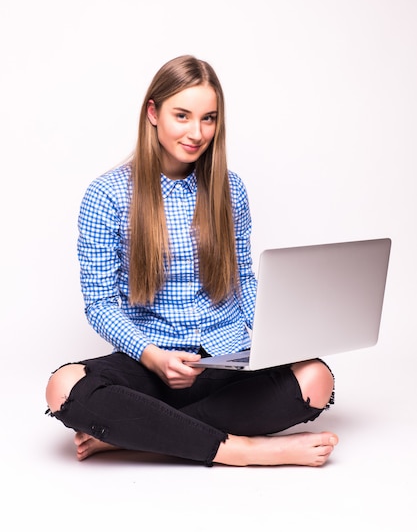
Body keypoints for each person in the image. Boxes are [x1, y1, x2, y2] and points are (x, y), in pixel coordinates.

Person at [45, 55, 338, 467]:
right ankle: (242, 450)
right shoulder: (107, 195)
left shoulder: (230, 189)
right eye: (182, 115)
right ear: (153, 112)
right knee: (63, 385)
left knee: (317, 379)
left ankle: (134, 435)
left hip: (227, 360)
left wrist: (284, 336)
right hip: (151, 363)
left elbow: (244, 282)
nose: (196, 132)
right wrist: (153, 356)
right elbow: (99, 304)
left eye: (208, 118)